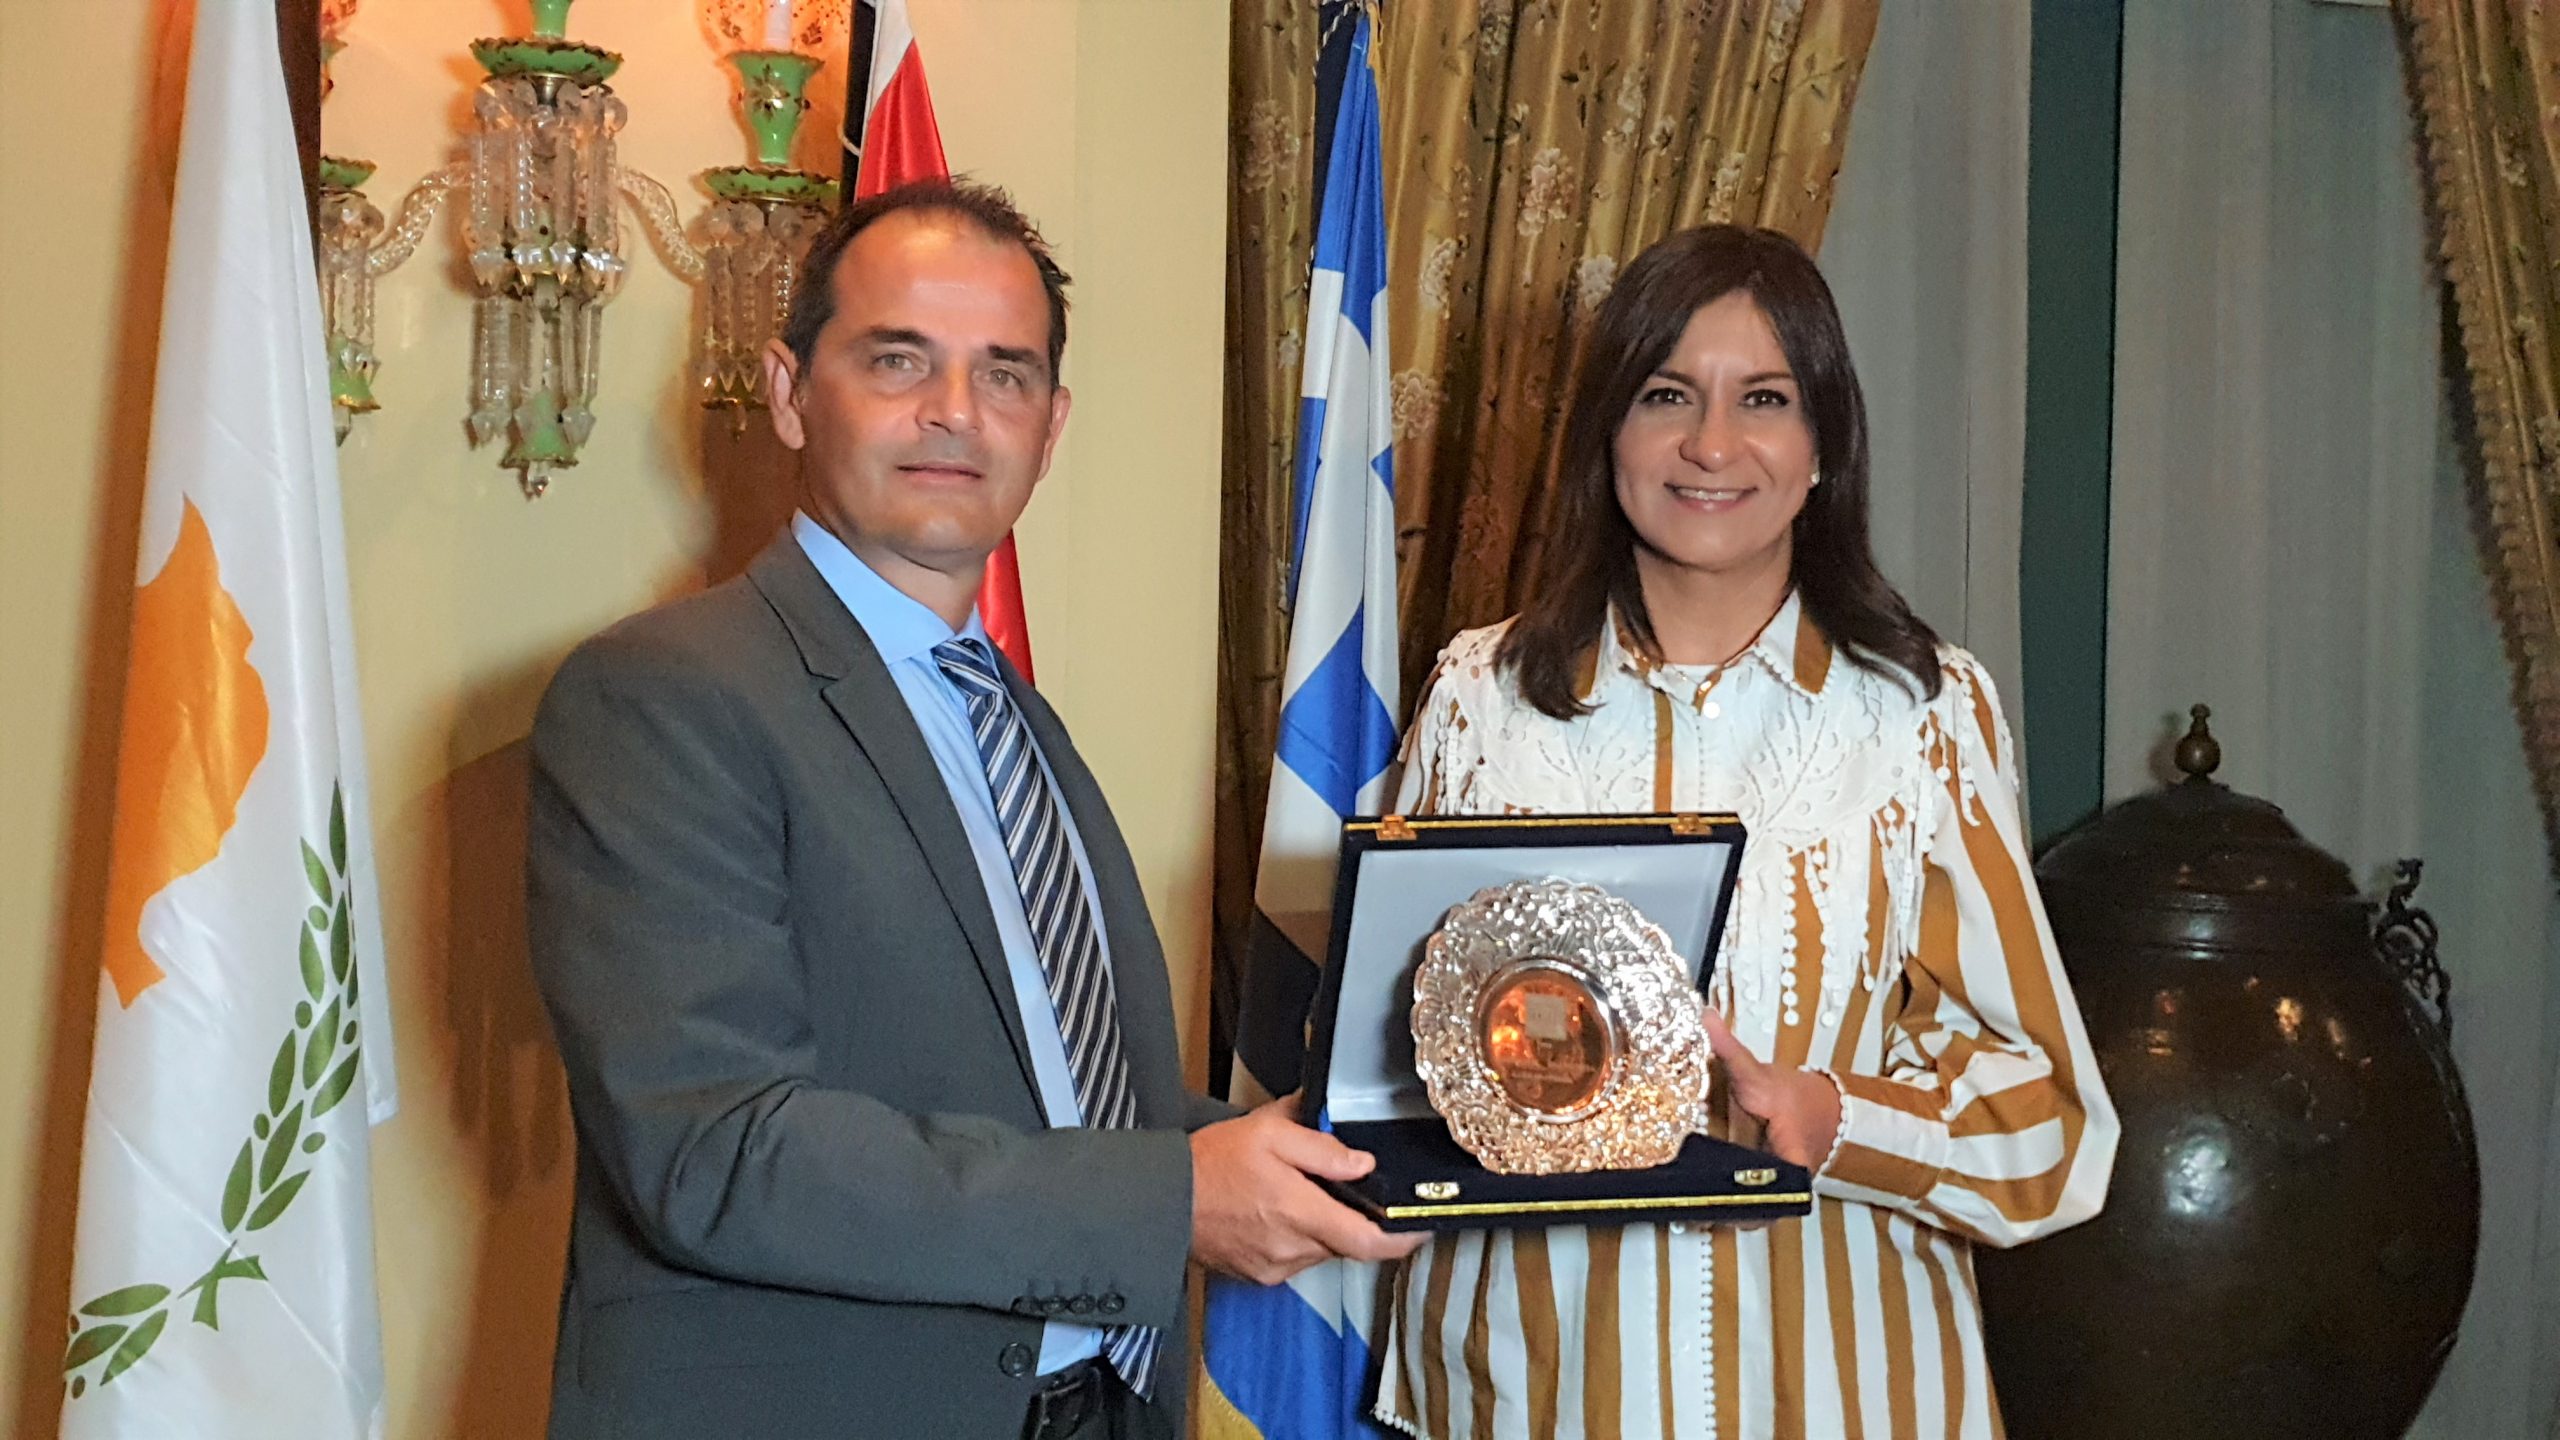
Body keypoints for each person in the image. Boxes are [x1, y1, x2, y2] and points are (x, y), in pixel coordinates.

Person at [525, 179, 1419, 1440]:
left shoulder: (1011, 717)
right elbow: (715, 1150)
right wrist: (1173, 1196)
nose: (955, 410)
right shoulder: (663, 695)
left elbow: (1054, 1098)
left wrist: (1308, 1153)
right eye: (899, 359)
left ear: (1049, 428)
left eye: (1005, 374)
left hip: (1098, 1404)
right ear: (788, 392)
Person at [1374, 225, 2118, 1439]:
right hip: (1530, 1398)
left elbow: (2050, 1124)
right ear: (1606, 433)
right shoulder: (1480, 701)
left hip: (1845, 1397)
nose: (1711, 444)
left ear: (1824, 445)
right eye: (1666, 395)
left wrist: (1838, 1120)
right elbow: (1376, 1062)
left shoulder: (1922, 715)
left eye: (1762, 399)